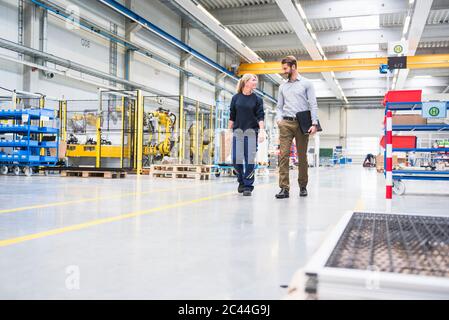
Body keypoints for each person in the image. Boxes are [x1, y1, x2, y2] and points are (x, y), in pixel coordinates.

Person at [275, 56, 319, 199]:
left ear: (293, 67)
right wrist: (279, 120)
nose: (283, 71)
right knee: (284, 155)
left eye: (285, 68)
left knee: (302, 157)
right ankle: (284, 188)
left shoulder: (307, 83)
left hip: (302, 123)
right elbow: (279, 107)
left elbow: (313, 104)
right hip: (286, 123)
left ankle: (303, 186)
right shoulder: (282, 86)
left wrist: (314, 123)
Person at [229, 74, 266, 197]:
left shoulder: (257, 99)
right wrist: (228, 132)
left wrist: (261, 131)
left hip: (252, 132)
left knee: (249, 160)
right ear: (246, 82)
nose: (256, 81)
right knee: (235, 158)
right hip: (237, 132)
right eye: (253, 79)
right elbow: (232, 116)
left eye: (256, 79)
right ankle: (241, 180)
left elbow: (261, 116)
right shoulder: (235, 98)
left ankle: (248, 186)